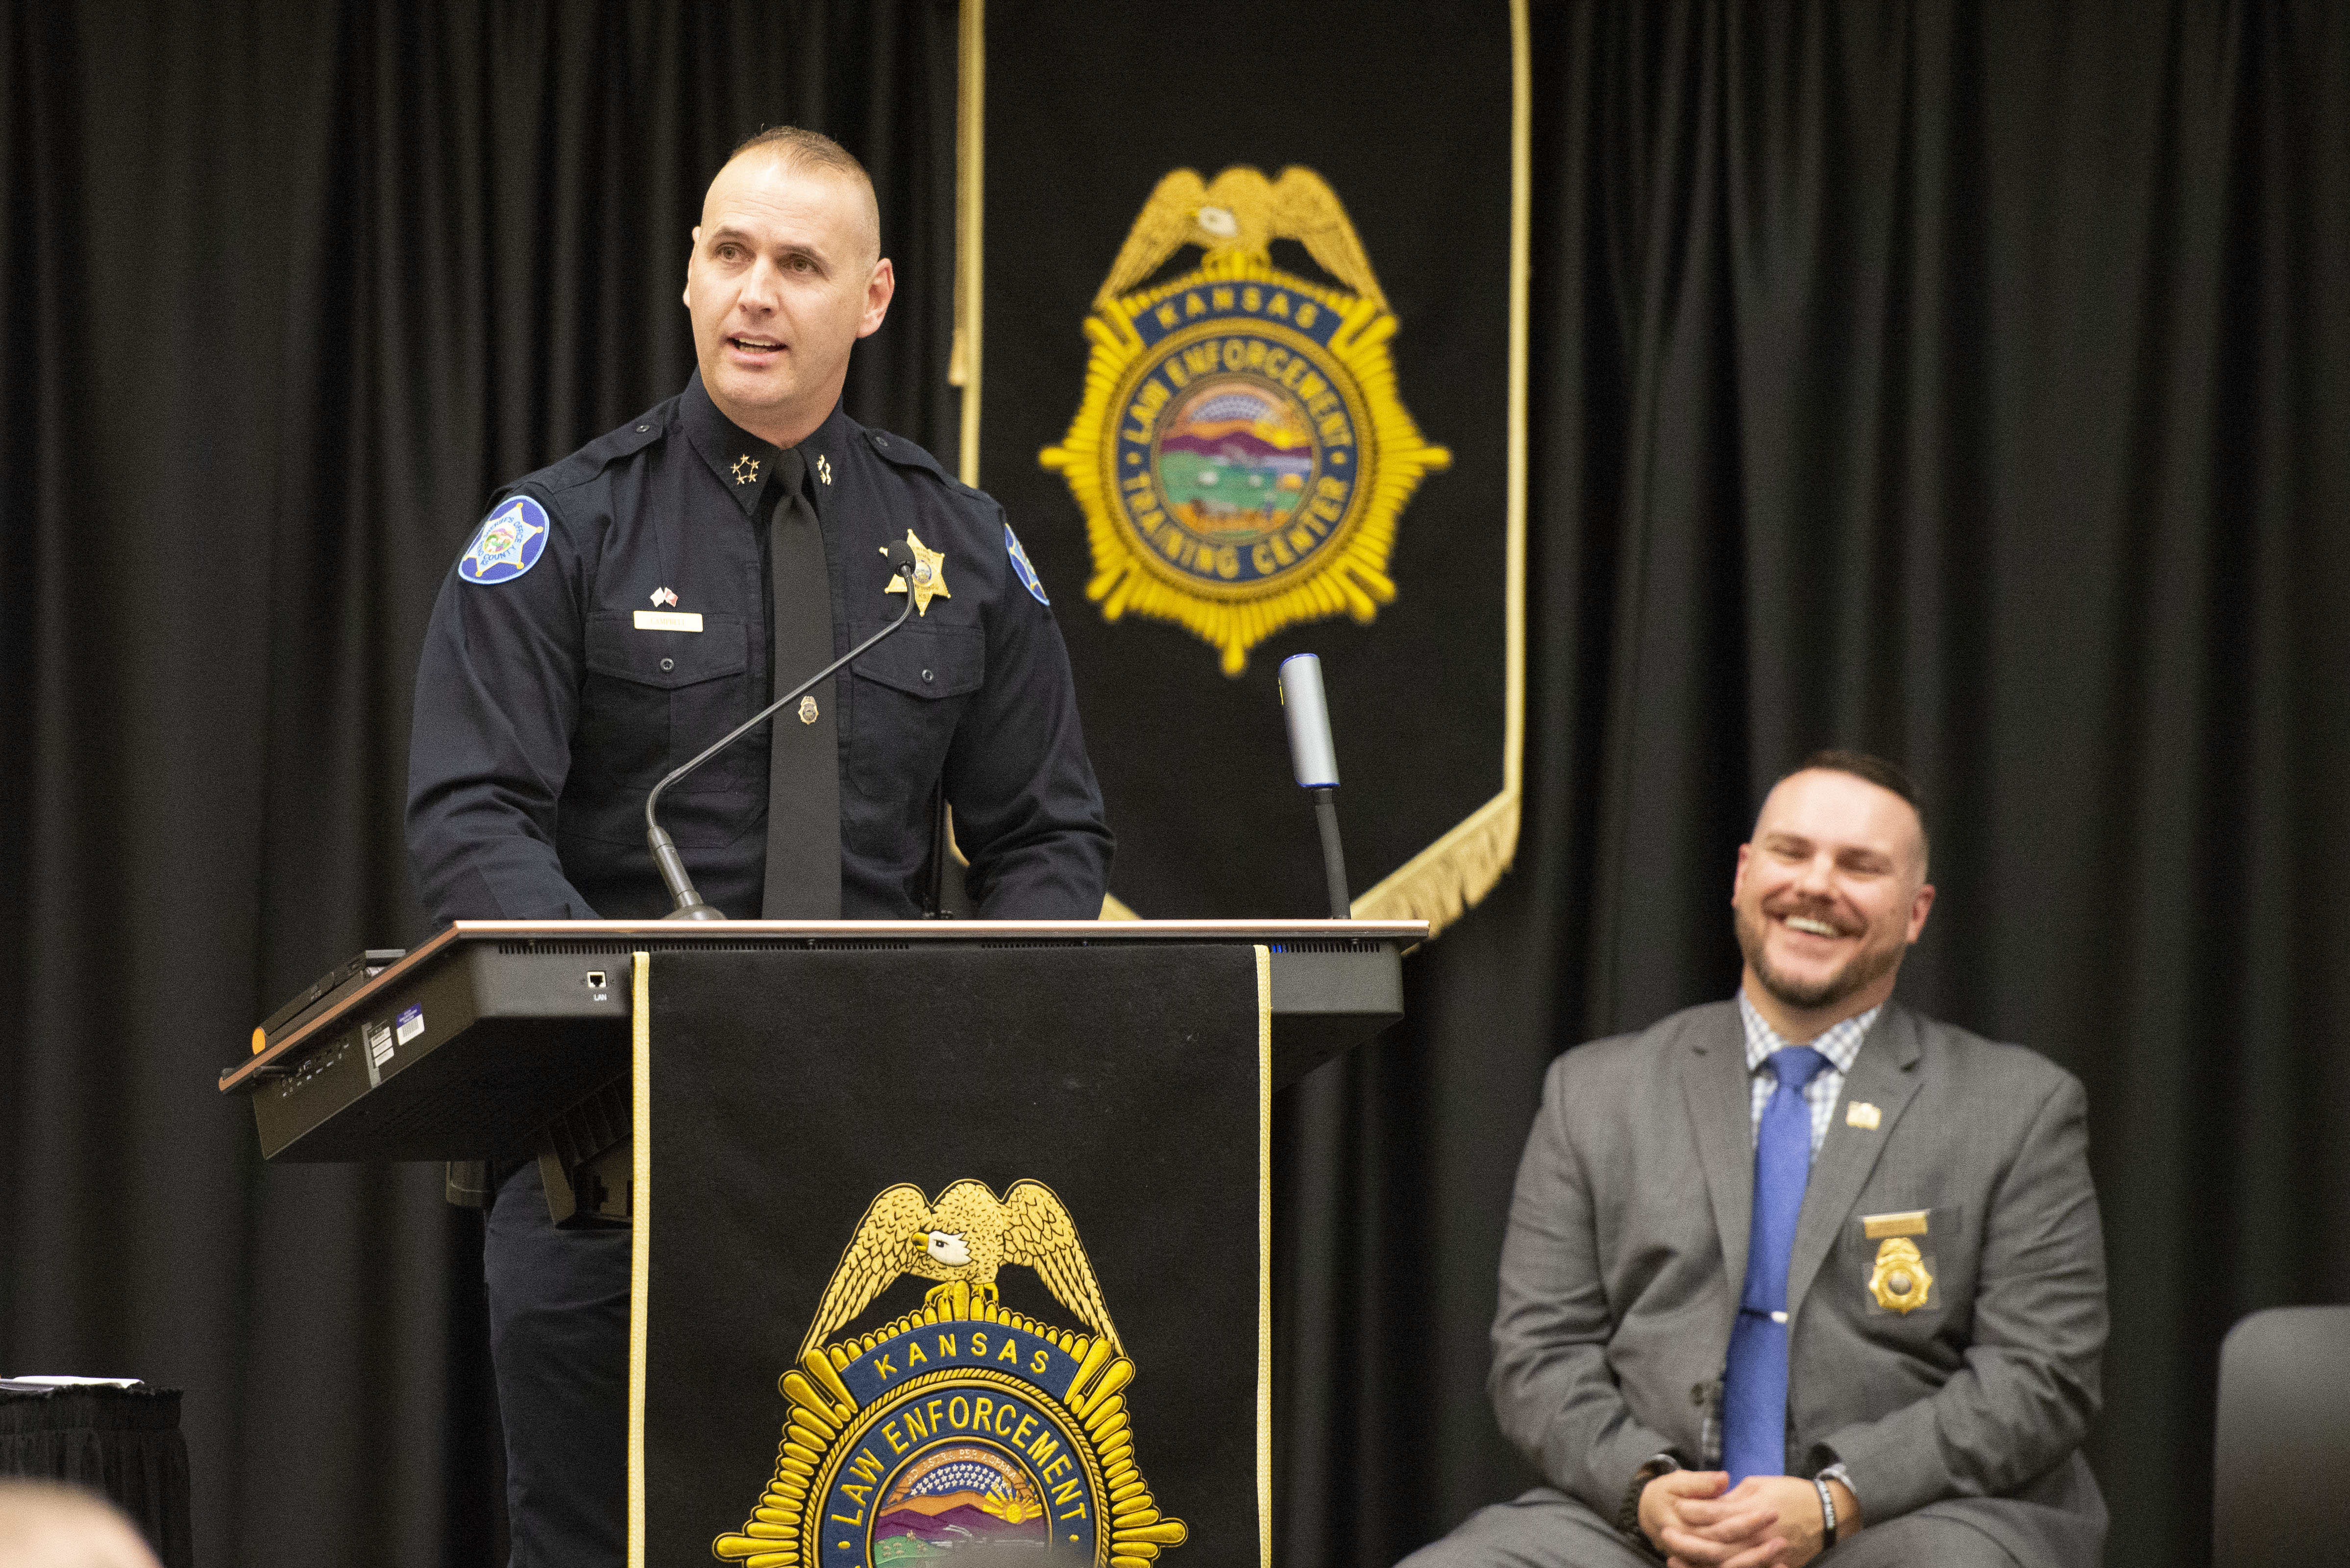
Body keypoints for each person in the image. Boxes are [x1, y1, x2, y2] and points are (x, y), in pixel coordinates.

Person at [405, 127, 1112, 1566]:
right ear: (687, 275)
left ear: (873, 297)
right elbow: (472, 813)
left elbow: (1046, 835)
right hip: (611, 1165)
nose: (756, 295)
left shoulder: (959, 551)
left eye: (800, 264)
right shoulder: (564, 530)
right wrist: (625, 1024)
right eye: (729, 253)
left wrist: (970, 1045)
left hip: (888, 1177)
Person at [1403, 752, 2105, 1568]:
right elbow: (1539, 1356)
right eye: (1791, 851)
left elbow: (2039, 1375)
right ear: (1743, 874)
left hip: (1908, 1517)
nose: (1816, 884)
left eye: (1860, 865)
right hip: (1642, 1523)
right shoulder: (1592, 1091)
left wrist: (1835, 1499)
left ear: (1916, 912)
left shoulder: (2021, 1106)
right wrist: (1649, 1491)